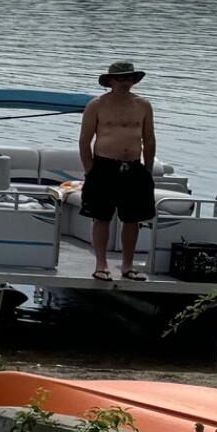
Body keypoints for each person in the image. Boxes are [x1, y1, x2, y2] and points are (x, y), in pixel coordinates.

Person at [79, 61, 158, 282]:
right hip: (104, 166)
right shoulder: (97, 105)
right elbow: (85, 141)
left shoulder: (143, 105)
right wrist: (89, 170)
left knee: (132, 219)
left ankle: (128, 266)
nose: (126, 82)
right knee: (101, 217)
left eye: (129, 78)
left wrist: (147, 170)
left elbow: (149, 140)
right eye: (121, 78)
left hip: (133, 167)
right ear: (110, 81)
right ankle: (101, 264)